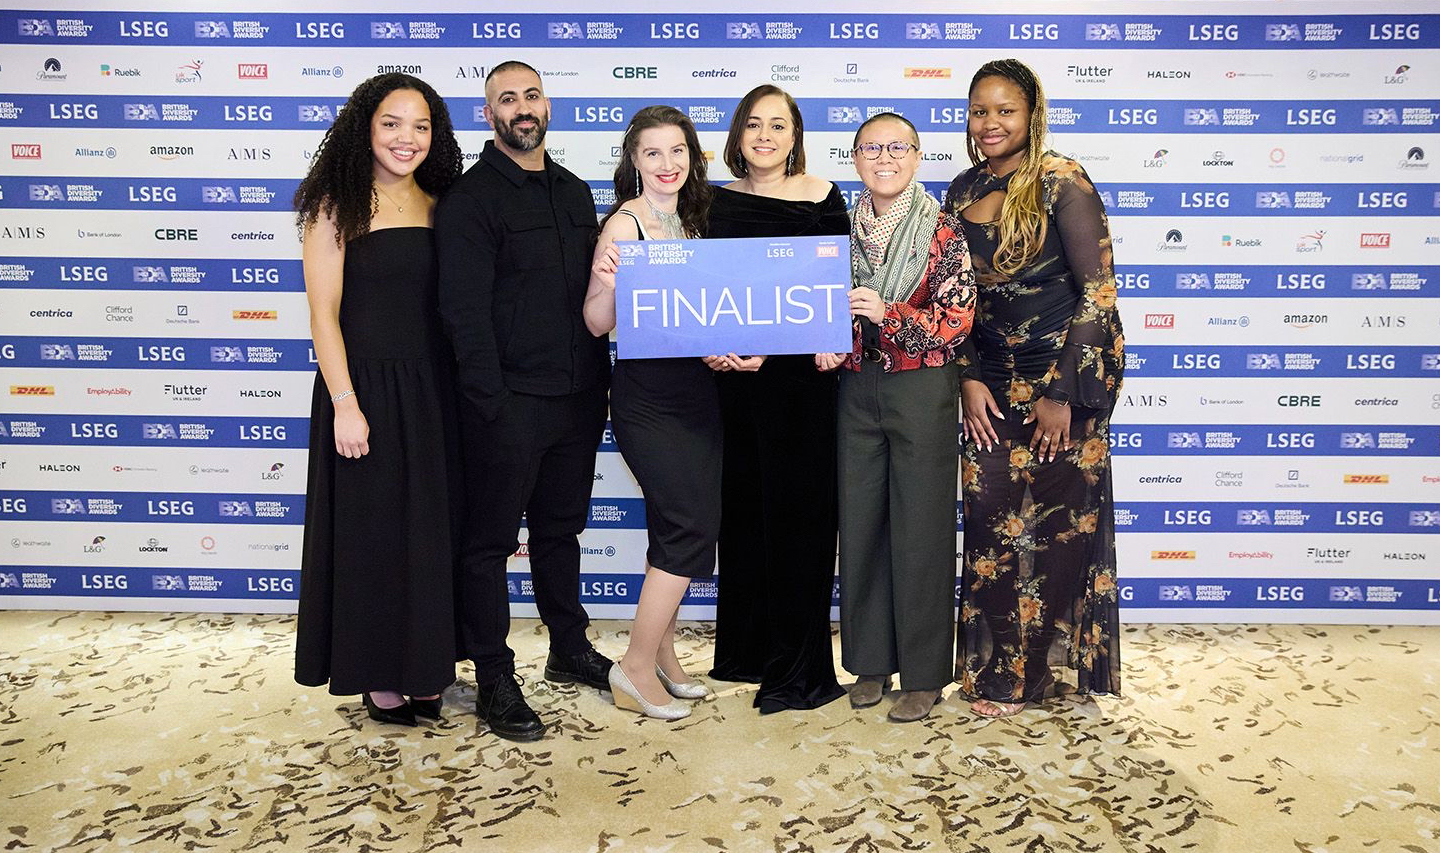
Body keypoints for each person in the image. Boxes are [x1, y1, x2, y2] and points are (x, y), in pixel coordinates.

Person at [435, 61, 613, 742]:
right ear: (489, 115)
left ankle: (568, 649)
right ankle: (494, 676)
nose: (522, 107)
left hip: (576, 401)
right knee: (486, 546)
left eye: (531, 95)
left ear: (547, 103)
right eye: (506, 99)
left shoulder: (572, 191)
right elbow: (464, 313)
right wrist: (491, 402)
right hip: (507, 406)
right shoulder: (471, 198)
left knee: (561, 533)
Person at [946, 59, 1124, 718]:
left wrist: (1062, 394)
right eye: (979, 111)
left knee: (1053, 537)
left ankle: (1029, 677)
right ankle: (998, 661)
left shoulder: (1062, 182)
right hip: (988, 388)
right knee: (990, 531)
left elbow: (1097, 291)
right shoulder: (961, 188)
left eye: (1004, 110)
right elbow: (952, 298)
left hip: (1063, 387)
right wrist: (965, 374)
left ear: (1031, 115)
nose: (990, 123)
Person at [293, 73, 464, 726]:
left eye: (421, 126)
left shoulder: (444, 201)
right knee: (374, 539)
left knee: (429, 537)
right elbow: (323, 314)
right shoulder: (335, 204)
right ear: (366, 125)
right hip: (364, 392)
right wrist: (345, 402)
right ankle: (378, 675)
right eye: (393, 122)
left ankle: (426, 670)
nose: (407, 138)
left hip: (434, 394)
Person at [706, 85, 848, 714]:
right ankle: (746, 652)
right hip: (733, 385)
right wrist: (716, 345)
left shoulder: (822, 197)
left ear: (796, 136)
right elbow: (701, 290)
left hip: (798, 388)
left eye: (779, 126)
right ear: (738, 135)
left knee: (800, 521)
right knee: (743, 515)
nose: (765, 136)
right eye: (753, 125)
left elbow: (833, 293)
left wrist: (791, 348)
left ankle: (798, 670)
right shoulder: (710, 203)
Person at [831, 113, 976, 723]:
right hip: (854, 386)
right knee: (861, 522)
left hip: (921, 386)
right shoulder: (836, 231)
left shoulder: (945, 231)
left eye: (897, 147)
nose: (883, 157)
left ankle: (922, 674)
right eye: (871, 148)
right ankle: (869, 661)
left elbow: (957, 320)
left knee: (920, 528)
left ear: (917, 157)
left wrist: (888, 312)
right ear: (856, 157)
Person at [584, 106, 721, 720]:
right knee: (691, 523)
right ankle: (634, 668)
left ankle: (663, 658)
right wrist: (609, 283)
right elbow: (595, 321)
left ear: (691, 158)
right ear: (633, 161)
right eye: (653, 154)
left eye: (677, 152)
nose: (667, 165)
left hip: (699, 392)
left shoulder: (695, 220)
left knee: (672, 524)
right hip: (648, 396)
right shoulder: (623, 226)